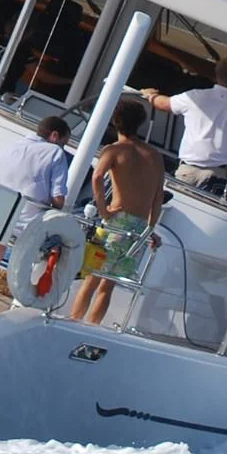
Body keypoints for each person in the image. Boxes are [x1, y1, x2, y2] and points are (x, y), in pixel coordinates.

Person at [69, 101, 164, 328]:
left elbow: (96, 177)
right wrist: (150, 229)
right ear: (140, 123)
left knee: (92, 279)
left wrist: (103, 210)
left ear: (115, 121)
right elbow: (158, 196)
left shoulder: (114, 150)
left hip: (116, 222)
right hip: (139, 227)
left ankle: (73, 324)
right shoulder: (154, 155)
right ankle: (91, 328)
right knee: (108, 284)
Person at [0, 115, 72, 293]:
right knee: (64, 241)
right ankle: (26, 290)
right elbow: (58, 198)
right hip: (31, 222)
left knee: (0, 234)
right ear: (55, 136)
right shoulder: (55, 153)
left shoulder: (14, 145)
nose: (62, 147)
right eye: (64, 143)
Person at [140, 56, 227, 193]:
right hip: (218, 177)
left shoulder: (195, 97)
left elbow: (165, 104)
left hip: (188, 171)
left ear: (217, 75)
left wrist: (151, 96)